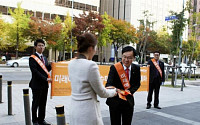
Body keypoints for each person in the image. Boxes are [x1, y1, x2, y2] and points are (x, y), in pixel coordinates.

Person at [68, 33, 117, 125]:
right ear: (91, 48)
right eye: (95, 48)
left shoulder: (71, 63)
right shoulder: (91, 65)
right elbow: (102, 93)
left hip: (74, 110)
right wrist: (114, 91)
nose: (95, 51)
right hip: (88, 112)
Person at [105, 46, 141, 125]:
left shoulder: (137, 68)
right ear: (121, 56)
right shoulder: (114, 68)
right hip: (115, 102)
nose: (126, 60)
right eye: (124, 57)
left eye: (129, 58)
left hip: (128, 102)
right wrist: (118, 91)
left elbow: (137, 84)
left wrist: (130, 91)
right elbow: (108, 84)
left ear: (134, 58)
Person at [29, 39, 52, 125]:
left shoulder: (44, 58)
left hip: (45, 85)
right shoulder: (32, 58)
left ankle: (41, 120)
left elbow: (45, 70)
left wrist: (51, 66)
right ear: (35, 47)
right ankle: (35, 121)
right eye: (39, 45)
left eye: (43, 45)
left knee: (43, 103)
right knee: (36, 103)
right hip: (36, 85)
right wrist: (46, 79)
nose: (41, 47)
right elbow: (35, 72)